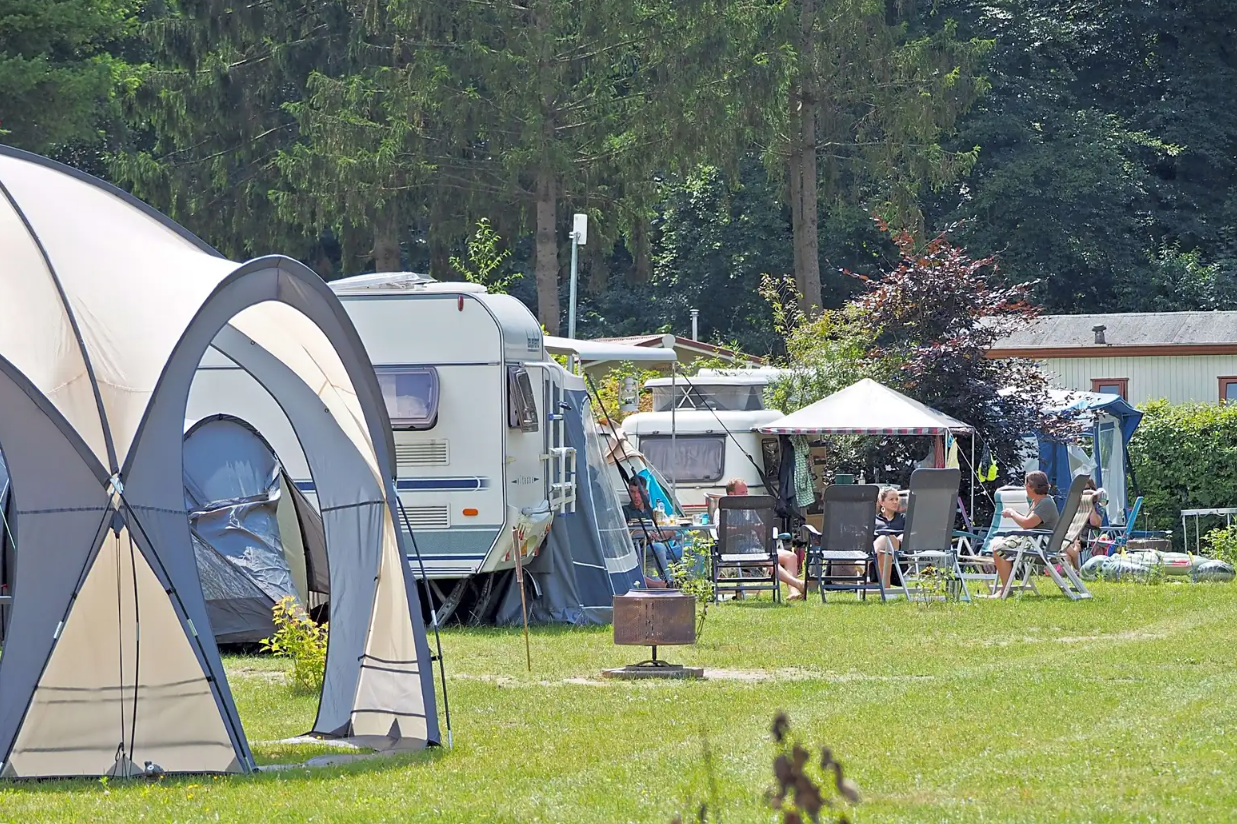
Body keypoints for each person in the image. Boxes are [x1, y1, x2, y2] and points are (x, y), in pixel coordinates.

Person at [723, 478, 804, 600]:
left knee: (790, 557)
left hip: (757, 548)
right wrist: (747, 527)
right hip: (737, 550)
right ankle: (797, 583)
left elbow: (760, 529)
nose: (746, 495)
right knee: (768, 559)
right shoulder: (723, 511)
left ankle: (793, 592)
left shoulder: (749, 510)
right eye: (742, 493)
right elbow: (722, 531)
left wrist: (762, 532)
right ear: (731, 495)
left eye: (746, 492)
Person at [990, 470, 1059, 592]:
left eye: (1025, 484)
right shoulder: (1038, 502)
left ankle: (1005, 590)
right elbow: (1029, 523)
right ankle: (1006, 587)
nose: (1024, 487)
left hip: (1042, 544)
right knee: (998, 548)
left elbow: (1027, 524)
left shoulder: (1046, 503)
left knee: (999, 549)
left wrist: (1012, 513)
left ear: (1030, 487)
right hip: (1035, 541)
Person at [625, 475, 681, 586]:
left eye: (639, 492)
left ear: (645, 492)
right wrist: (647, 534)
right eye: (632, 492)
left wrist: (659, 534)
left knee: (693, 548)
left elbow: (669, 532)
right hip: (640, 550)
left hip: (661, 546)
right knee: (659, 548)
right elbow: (627, 533)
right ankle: (668, 583)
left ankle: (693, 585)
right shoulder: (626, 512)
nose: (636, 496)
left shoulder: (653, 511)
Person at [1064, 478, 1105, 570]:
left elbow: (1095, 523)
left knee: (1069, 547)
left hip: (1089, 538)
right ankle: (1076, 569)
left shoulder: (1098, 506)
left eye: (1087, 489)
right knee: (1067, 546)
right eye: (1082, 491)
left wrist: (1089, 504)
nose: (1084, 493)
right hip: (1074, 536)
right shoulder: (1074, 505)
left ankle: (1077, 569)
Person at [873, 487, 904, 589]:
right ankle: (886, 589)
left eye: (896, 499)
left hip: (899, 556)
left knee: (887, 538)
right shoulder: (874, 520)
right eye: (891, 499)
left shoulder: (904, 519)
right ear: (881, 502)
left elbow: (911, 535)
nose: (895, 502)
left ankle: (862, 563)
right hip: (878, 559)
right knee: (883, 551)